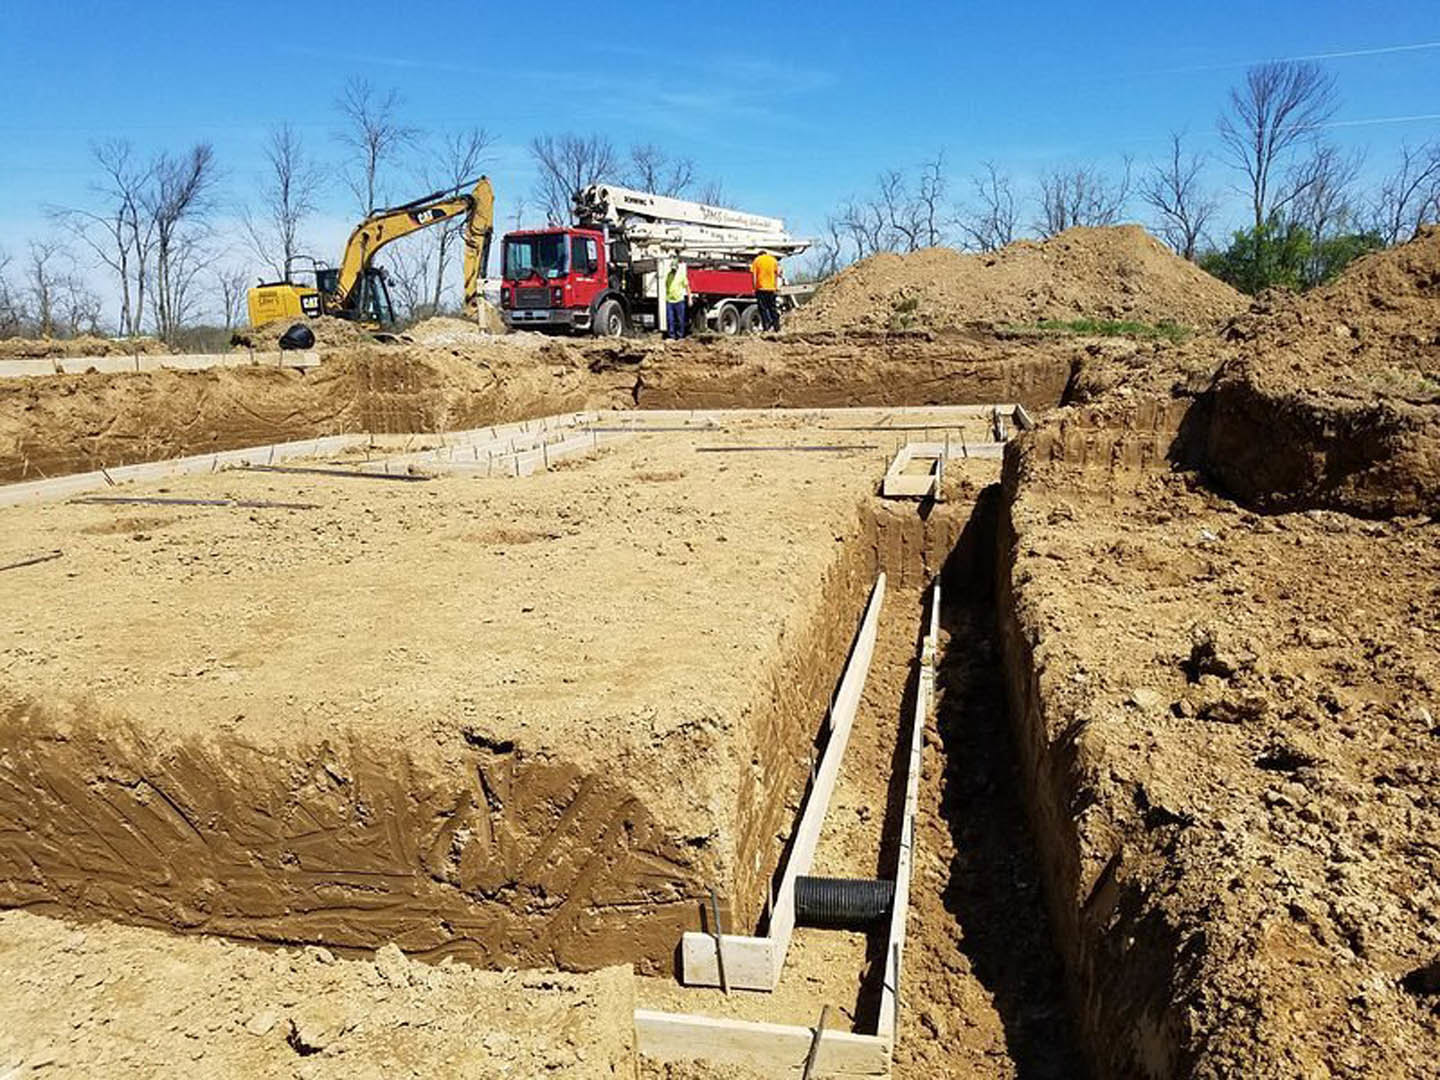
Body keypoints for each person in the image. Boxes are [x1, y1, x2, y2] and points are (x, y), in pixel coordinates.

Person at [751, 249, 781, 332]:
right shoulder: (773, 260)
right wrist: (776, 287)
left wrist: (754, 288)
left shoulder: (756, 261)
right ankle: (777, 327)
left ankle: (766, 327)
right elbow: (778, 274)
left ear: (759, 255)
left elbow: (754, 276)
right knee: (773, 308)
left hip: (761, 288)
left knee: (763, 309)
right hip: (771, 288)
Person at [664, 260, 690, 340]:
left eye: (674, 268)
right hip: (670, 300)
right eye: (672, 268)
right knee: (670, 319)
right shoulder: (668, 275)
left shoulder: (681, 276)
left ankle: (680, 336)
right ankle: (671, 336)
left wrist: (690, 298)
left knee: (680, 319)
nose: (673, 270)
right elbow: (667, 286)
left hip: (679, 300)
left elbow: (687, 287)